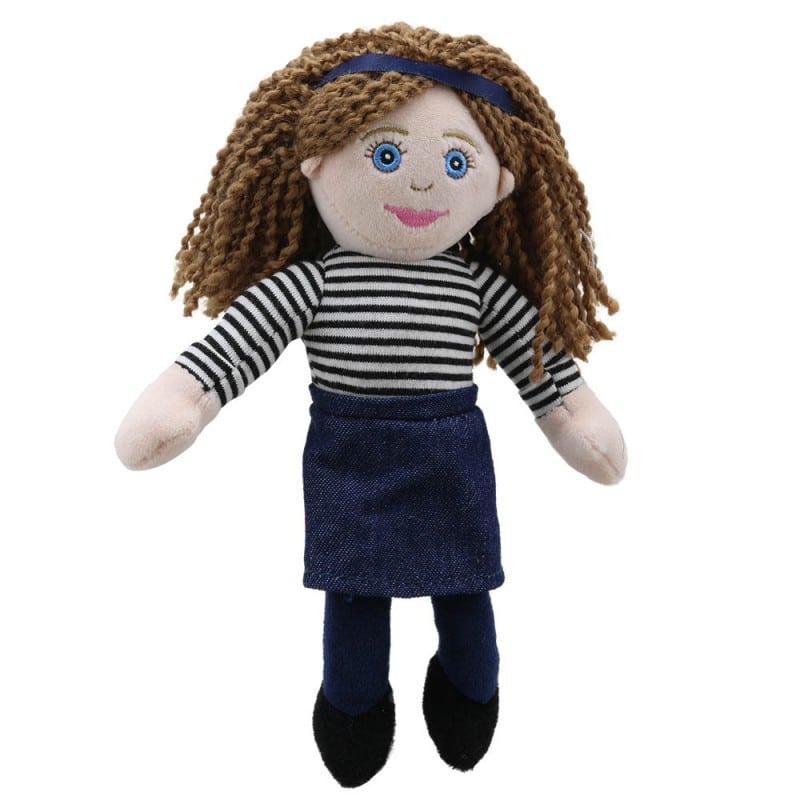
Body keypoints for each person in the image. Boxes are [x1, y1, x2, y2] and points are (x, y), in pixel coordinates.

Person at [115, 23, 626, 788]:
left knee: (465, 585)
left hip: (451, 459)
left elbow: (542, 368)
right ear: (316, 161)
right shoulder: (317, 282)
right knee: (355, 591)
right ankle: (353, 705)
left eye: (456, 162)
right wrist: (186, 401)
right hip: (349, 458)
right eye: (386, 156)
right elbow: (234, 347)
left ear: (497, 184)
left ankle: (469, 689)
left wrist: (577, 420)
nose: (421, 184)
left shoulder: (476, 287)